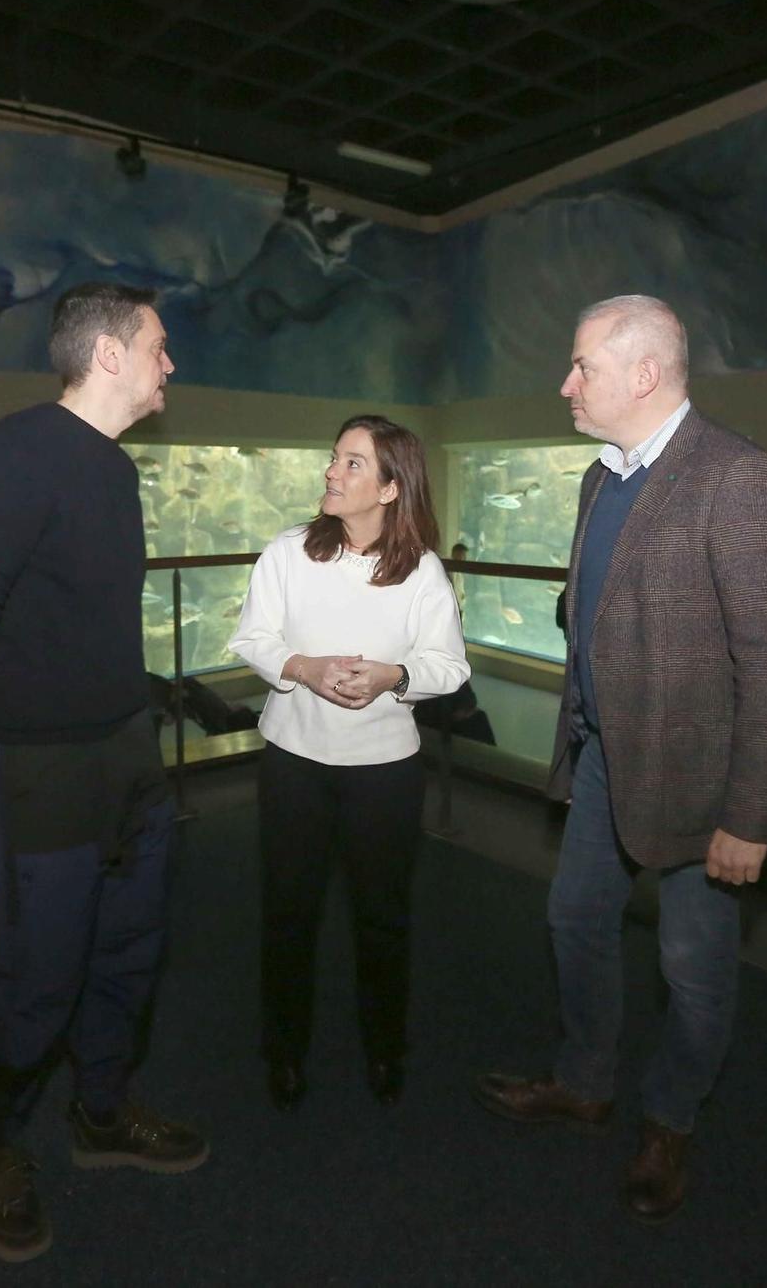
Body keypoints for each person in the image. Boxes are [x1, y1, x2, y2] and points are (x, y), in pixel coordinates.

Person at [472, 295, 767, 1227]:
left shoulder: (736, 477)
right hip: (602, 762)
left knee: (692, 966)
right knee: (574, 918)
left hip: (703, 788)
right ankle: (585, 1082)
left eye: (581, 366)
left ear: (645, 375)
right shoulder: (600, 479)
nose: (566, 383)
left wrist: (749, 814)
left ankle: (671, 1120)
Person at [0, 283, 206, 1265]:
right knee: (37, 973)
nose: (171, 362)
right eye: (160, 346)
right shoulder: (15, 452)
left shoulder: (111, 470)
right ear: (111, 355)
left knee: (129, 948)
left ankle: (101, 1112)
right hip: (39, 770)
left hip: (125, 754)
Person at [229, 417, 469, 1112]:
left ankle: (386, 1049)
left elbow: (449, 666)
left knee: (382, 918)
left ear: (392, 488)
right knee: (288, 913)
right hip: (294, 764)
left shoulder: (423, 570)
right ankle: (283, 1052)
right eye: (335, 458)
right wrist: (302, 666)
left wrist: (394, 675)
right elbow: (253, 635)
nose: (333, 471)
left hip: (385, 774)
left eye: (354, 464)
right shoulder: (286, 553)